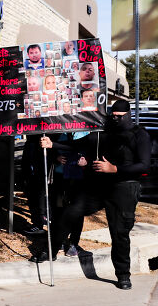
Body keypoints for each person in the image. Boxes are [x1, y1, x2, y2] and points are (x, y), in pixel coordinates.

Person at [34, 100, 150, 290]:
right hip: (97, 186)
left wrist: (115, 169)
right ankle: (52, 250)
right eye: (113, 116)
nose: (116, 119)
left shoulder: (139, 135)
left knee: (119, 232)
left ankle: (123, 275)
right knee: (69, 213)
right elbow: (76, 145)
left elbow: (144, 164)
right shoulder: (102, 134)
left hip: (124, 187)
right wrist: (52, 144)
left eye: (120, 117)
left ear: (129, 114)